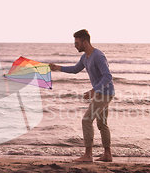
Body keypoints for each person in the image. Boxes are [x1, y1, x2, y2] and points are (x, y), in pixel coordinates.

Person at [49, 29, 115, 162]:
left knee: (86, 120)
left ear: (85, 42)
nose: (75, 45)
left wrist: (93, 90)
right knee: (102, 124)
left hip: (104, 93)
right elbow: (75, 69)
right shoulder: (85, 57)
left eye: (77, 42)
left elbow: (108, 76)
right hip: (101, 93)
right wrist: (57, 68)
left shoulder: (98, 56)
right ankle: (107, 154)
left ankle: (88, 155)